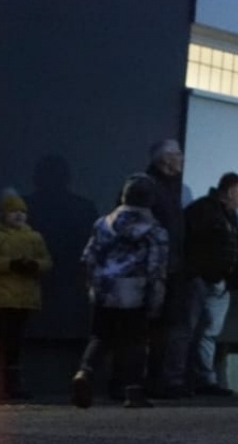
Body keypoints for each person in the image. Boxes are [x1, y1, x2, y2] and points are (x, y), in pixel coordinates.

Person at [72, 174, 169, 409]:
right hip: (134, 292)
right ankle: (133, 393)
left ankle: (84, 373)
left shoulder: (103, 223)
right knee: (135, 342)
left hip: (103, 289)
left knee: (100, 337)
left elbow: (88, 257)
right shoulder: (155, 231)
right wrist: (156, 298)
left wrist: (92, 286)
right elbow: (155, 268)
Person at [168, 172, 238, 397]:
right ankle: (175, 379)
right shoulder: (201, 209)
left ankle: (204, 379)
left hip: (220, 283)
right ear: (230, 192)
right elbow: (188, 242)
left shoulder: (229, 214)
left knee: (209, 333)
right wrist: (193, 271)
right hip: (199, 280)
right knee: (186, 330)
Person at [0, 193, 54, 401]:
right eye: (13, 211)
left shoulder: (34, 237)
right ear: (4, 214)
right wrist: (10, 264)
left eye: (22, 211)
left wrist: (34, 265)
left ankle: (11, 384)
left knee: (14, 345)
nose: (18, 215)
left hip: (23, 299)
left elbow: (47, 261)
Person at [145, 139, 188, 397]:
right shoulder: (150, 187)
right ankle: (155, 380)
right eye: (177, 154)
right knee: (158, 327)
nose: (181, 158)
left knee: (169, 326)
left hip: (170, 268)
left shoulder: (169, 188)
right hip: (158, 269)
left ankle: (165, 380)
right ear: (164, 158)